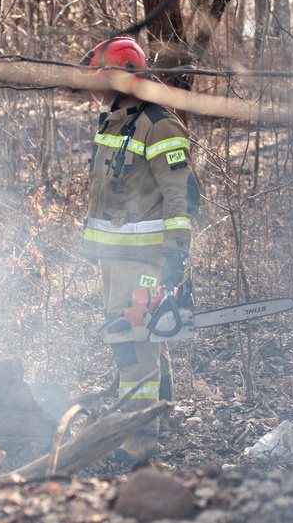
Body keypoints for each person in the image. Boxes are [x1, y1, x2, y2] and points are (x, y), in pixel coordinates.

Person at [80, 37, 200, 462]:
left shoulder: (159, 124)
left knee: (129, 340)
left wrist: (175, 254)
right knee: (144, 337)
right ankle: (160, 412)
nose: (99, 88)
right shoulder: (115, 119)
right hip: (114, 253)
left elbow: (180, 197)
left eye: (104, 80)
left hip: (144, 255)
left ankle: (139, 440)